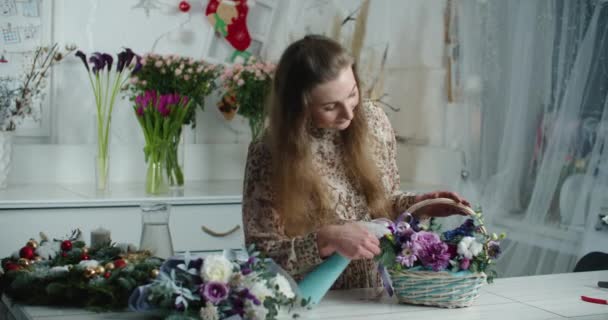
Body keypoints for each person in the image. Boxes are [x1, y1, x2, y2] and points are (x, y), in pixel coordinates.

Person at [242, 34, 470, 289]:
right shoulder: (269, 153)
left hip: (379, 295)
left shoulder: (374, 121)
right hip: (315, 302)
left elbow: (383, 205)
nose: (349, 113)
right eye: (330, 107)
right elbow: (261, 257)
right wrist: (326, 238)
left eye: (352, 94)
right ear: (298, 107)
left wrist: (419, 205)